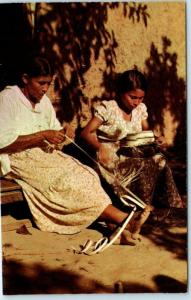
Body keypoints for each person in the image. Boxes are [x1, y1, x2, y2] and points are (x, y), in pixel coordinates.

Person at [0, 56, 152, 246]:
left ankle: (116, 229)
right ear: (25, 78)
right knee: (67, 183)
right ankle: (125, 219)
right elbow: (2, 143)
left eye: (49, 83)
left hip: (44, 155)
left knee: (87, 174)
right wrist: (42, 135)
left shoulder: (43, 101)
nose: (45, 88)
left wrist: (62, 133)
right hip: (18, 158)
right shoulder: (8, 99)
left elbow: (53, 131)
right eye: (41, 83)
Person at [80, 69, 183, 209]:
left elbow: (146, 131)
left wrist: (157, 138)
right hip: (112, 156)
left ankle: (161, 206)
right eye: (132, 97)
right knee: (144, 165)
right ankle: (136, 208)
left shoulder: (140, 109)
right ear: (120, 92)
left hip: (134, 153)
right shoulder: (109, 108)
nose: (136, 102)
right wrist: (101, 148)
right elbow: (86, 133)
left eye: (141, 98)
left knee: (159, 160)